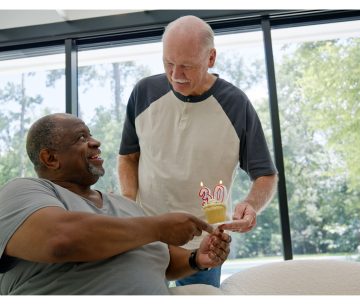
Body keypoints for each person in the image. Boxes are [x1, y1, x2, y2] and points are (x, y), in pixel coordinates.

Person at [118, 15, 278, 287]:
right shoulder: (144, 92)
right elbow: (128, 157)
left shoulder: (235, 104)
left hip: (204, 244)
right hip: (147, 237)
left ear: (211, 58)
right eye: (169, 63)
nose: (176, 75)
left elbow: (266, 175)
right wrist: (128, 206)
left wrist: (251, 205)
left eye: (187, 66)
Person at [0, 113, 231, 295]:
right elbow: (59, 239)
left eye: (90, 135)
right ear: (50, 158)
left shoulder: (126, 206)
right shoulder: (22, 191)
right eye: (81, 138)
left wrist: (197, 258)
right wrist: (157, 227)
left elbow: (162, 258)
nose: (96, 142)